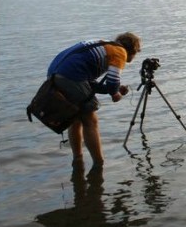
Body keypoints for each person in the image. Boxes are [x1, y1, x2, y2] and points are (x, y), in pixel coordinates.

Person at [47, 32, 141, 168]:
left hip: (55, 74)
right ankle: (99, 163)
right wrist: (116, 94)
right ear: (133, 49)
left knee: (76, 119)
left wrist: (113, 89)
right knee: (90, 120)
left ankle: (78, 160)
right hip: (71, 76)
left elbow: (90, 86)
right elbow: (113, 81)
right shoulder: (120, 51)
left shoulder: (105, 45)